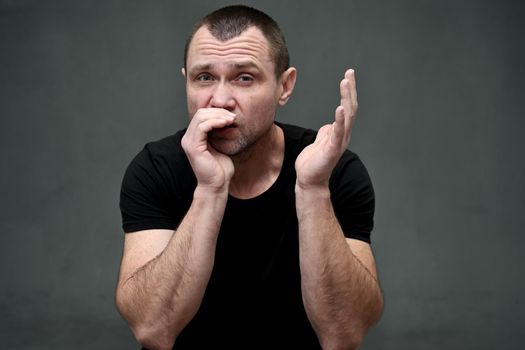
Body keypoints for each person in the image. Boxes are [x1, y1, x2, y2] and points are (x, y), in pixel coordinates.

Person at [115, 5, 384, 350]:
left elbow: (344, 333)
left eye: (245, 77)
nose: (221, 100)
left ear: (284, 87)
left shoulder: (333, 170)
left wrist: (313, 189)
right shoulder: (156, 168)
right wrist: (210, 190)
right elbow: (153, 329)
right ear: (186, 80)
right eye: (205, 77)